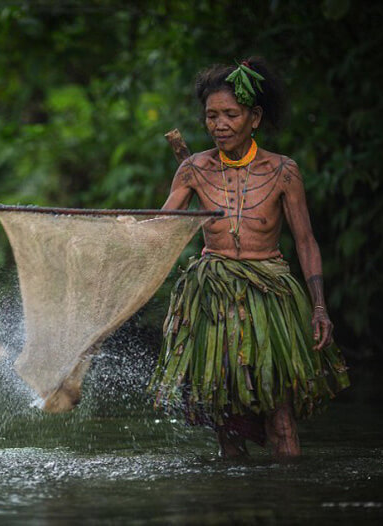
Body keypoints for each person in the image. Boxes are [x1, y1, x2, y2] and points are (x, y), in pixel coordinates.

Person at [150, 58, 350, 458]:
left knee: (281, 418)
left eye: (230, 114)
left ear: (254, 117)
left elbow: (306, 241)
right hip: (212, 299)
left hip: (270, 297)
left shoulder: (283, 171)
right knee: (225, 421)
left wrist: (319, 308)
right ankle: (235, 499)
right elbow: (162, 228)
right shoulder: (193, 170)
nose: (219, 124)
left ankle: (285, 501)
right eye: (211, 116)